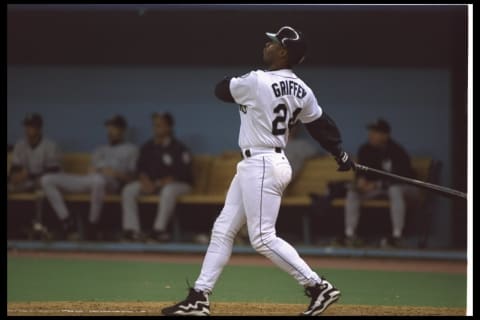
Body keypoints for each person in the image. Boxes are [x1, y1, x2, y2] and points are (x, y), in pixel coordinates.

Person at [162, 26, 355, 316]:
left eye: (274, 43)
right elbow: (321, 125)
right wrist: (339, 153)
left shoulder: (257, 80)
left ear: (284, 52)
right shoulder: (302, 89)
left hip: (263, 164)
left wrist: (242, 82)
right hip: (261, 163)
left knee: (263, 237)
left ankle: (318, 286)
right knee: (223, 229)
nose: (267, 44)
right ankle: (199, 297)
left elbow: (220, 89)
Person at [40, 115, 138, 240]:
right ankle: (67, 221)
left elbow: (133, 177)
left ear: (122, 130)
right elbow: (91, 171)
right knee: (47, 179)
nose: (110, 131)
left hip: (111, 184)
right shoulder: (99, 150)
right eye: (109, 128)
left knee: (99, 180)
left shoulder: (131, 149)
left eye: (114, 128)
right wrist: (100, 171)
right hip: (90, 181)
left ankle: (92, 224)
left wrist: (116, 173)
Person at [343, 118, 417, 248]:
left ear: (385, 135)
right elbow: (360, 172)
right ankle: (350, 235)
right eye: (371, 131)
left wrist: (375, 185)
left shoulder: (396, 151)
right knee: (353, 192)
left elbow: (399, 178)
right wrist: (361, 181)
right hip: (378, 189)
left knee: (394, 189)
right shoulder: (365, 149)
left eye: (375, 132)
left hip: (405, 188)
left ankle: (397, 236)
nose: (371, 135)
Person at [121, 112, 193, 242]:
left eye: (160, 125)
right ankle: (132, 231)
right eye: (155, 125)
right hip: (152, 184)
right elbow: (140, 169)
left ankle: (159, 230)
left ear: (169, 127)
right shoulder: (147, 147)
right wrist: (145, 181)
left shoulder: (179, 148)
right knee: (129, 190)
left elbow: (182, 174)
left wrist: (158, 184)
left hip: (179, 185)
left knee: (168, 190)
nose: (156, 128)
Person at [8, 113, 61, 193]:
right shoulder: (19, 145)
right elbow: (15, 168)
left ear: (39, 128)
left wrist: (27, 175)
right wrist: (16, 176)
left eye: (31, 126)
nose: (27, 129)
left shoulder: (51, 146)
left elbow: (53, 171)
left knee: (45, 184)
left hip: (45, 182)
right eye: (26, 126)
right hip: (26, 182)